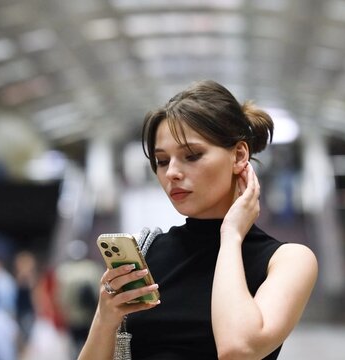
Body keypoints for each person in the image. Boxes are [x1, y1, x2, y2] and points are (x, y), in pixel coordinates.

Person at [77, 79, 318, 360]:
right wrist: (105, 319)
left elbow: (238, 349)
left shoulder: (287, 260)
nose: (172, 173)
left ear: (239, 155)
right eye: (163, 161)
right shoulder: (147, 254)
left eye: (191, 156)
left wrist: (231, 235)